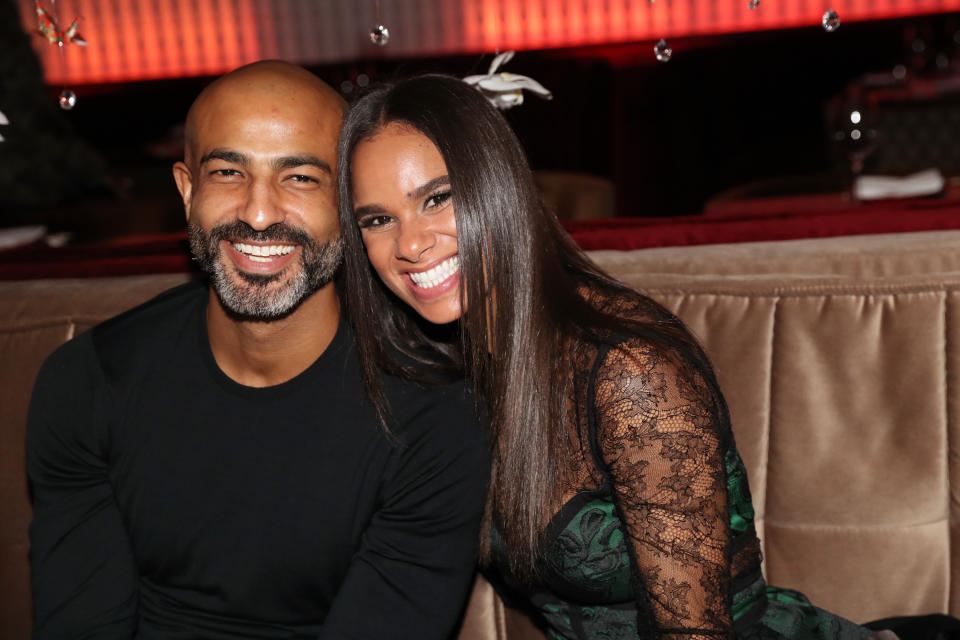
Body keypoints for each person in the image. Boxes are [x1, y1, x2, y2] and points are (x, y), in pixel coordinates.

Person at [336, 74, 875, 640]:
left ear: (499, 187)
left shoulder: (630, 372)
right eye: (377, 219)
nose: (410, 244)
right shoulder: (438, 362)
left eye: (437, 198)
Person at [25, 62, 489, 639]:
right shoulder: (87, 383)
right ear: (187, 190)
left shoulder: (437, 413)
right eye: (227, 172)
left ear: (345, 203)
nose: (259, 213)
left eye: (300, 178)